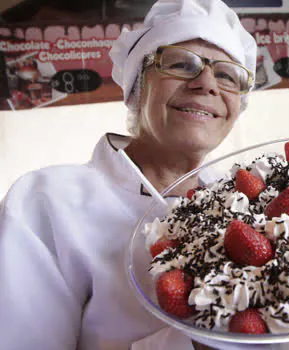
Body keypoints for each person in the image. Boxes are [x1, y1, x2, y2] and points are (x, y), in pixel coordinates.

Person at [0, 0, 256, 349]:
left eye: (227, 75)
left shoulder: (250, 207)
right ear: (137, 87)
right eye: (181, 64)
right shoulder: (47, 202)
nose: (207, 83)